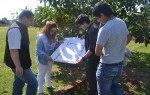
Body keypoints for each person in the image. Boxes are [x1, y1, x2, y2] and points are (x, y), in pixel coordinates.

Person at [92, 1, 132, 95]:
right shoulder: (121, 22)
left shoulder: (104, 29)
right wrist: (119, 46)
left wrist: (107, 50)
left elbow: (97, 52)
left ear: (102, 15)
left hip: (107, 66)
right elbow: (129, 37)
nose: (98, 20)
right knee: (114, 85)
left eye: (97, 18)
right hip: (119, 65)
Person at [4, 10, 38, 95]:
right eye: (31, 20)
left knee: (19, 84)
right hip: (20, 64)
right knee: (33, 83)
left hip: (22, 63)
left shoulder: (22, 26)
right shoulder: (15, 29)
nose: (31, 22)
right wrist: (18, 66)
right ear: (24, 18)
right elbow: (13, 50)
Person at [75, 13, 100, 95]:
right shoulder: (92, 28)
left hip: (93, 60)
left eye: (81, 25)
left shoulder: (92, 31)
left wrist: (83, 58)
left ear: (85, 23)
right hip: (95, 59)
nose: (81, 27)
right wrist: (85, 36)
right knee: (93, 79)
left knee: (91, 80)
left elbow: (92, 49)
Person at [36, 21, 61, 95]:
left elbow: (53, 46)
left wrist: (59, 43)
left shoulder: (52, 36)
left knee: (48, 72)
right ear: (47, 29)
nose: (53, 32)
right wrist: (46, 56)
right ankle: (40, 91)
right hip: (43, 59)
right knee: (41, 74)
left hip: (50, 58)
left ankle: (48, 85)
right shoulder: (41, 37)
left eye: (54, 31)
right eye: (51, 31)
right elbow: (39, 50)